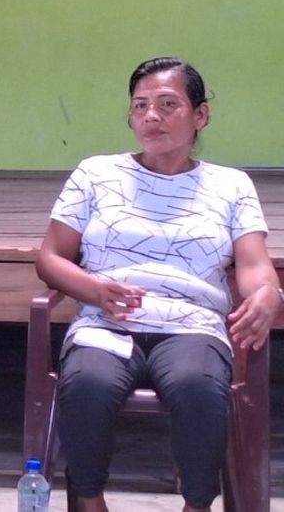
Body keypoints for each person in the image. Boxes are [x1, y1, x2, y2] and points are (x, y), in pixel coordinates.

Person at [35, 57, 280, 512]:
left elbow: (253, 265)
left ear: (200, 115)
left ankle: (197, 505)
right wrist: (91, 289)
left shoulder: (231, 185)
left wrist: (268, 292)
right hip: (106, 323)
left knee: (196, 386)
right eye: (141, 105)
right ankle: (89, 502)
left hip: (191, 326)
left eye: (168, 104)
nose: (152, 116)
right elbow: (50, 258)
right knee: (86, 383)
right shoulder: (96, 174)